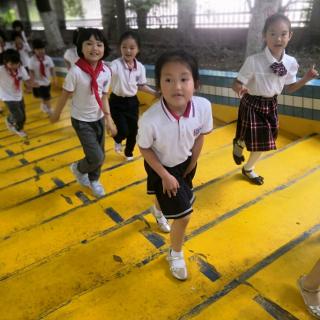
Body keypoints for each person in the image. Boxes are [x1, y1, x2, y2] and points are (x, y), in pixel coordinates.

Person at [137, 50, 213, 280]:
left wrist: (192, 164)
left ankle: (158, 209)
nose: (176, 86)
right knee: (184, 216)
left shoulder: (203, 107)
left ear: (195, 83)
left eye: (184, 79)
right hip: (163, 167)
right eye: (168, 79)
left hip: (187, 163)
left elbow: (200, 136)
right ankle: (175, 253)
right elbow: (144, 148)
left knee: (174, 203)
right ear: (159, 85)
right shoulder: (150, 119)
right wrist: (165, 175)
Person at [232, 13, 318, 185]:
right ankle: (244, 156)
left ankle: (246, 164)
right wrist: (240, 88)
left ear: (290, 36)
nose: (278, 38)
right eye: (272, 33)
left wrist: (306, 78)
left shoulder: (291, 62)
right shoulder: (254, 61)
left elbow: (290, 88)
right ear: (264, 35)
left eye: (283, 34)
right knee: (258, 139)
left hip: (271, 104)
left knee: (266, 139)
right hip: (252, 103)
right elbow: (236, 83)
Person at [50, 28, 117, 198]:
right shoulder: (76, 72)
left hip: (99, 118)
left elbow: (104, 96)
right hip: (81, 120)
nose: (94, 48)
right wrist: (56, 113)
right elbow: (65, 94)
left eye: (99, 44)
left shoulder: (106, 71)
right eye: (89, 43)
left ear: (104, 48)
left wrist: (109, 119)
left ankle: (94, 180)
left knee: (99, 155)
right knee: (96, 156)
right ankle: (78, 169)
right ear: (80, 47)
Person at [109, 30, 158, 161]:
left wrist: (154, 93)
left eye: (132, 47)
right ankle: (118, 139)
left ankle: (128, 152)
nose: (128, 51)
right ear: (120, 48)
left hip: (132, 102)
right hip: (116, 102)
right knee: (123, 130)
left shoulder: (140, 67)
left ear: (138, 49)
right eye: (124, 47)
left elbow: (141, 85)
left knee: (134, 130)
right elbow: (106, 73)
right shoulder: (115, 64)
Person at [0, 49, 33, 137]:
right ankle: (17, 128)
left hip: (18, 95)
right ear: (5, 62)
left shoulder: (21, 69)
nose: (15, 66)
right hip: (7, 97)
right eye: (11, 64)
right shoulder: (1, 70)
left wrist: (30, 85)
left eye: (16, 63)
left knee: (23, 116)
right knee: (19, 116)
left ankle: (10, 119)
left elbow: (26, 79)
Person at [29, 39, 56, 115]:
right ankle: (50, 109)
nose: (41, 51)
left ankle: (43, 105)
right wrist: (32, 82)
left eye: (42, 49)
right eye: (38, 49)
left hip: (47, 81)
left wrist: (54, 78)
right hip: (38, 82)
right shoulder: (31, 60)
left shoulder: (48, 58)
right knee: (47, 97)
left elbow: (52, 69)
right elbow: (31, 72)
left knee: (44, 95)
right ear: (34, 50)